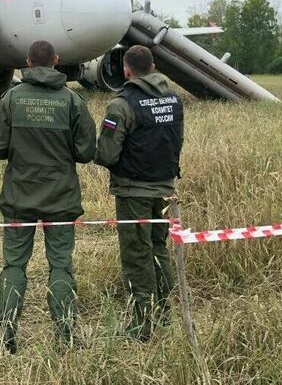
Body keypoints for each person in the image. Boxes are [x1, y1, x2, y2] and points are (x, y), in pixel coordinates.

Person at [0, 41, 96, 353]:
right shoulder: (73, 100)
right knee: (60, 265)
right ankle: (66, 333)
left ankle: (7, 334)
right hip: (60, 198)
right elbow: (86, 152)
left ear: (28, 62)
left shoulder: (11, 98)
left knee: (14, 266)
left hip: (20, 197)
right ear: (57, 61)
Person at [94, 45, 183, 342]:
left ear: (126, 71)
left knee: (136, 255)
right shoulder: (174, 100)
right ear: (154, 66)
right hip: (166, 189)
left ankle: (141, 324)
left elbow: (107, 153)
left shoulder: (121, 104)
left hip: (133, 192)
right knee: (159, 249)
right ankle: (165, 313)